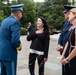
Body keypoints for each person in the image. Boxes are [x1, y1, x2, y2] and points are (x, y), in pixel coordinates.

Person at [0, 4, 24, 75]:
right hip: (9, 55)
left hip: (2, 53)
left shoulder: (4, 21)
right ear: (18, 13)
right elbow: (15, 40)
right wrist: (19, 47)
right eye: (21, 13)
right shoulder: (15, 22)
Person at [56, 5, 76, 75]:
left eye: (69, 13)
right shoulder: (68, 25)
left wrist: (67, 59)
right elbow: (65, 38)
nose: (65, 15)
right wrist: (60, 46)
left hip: (72, 56)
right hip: (66, 54)